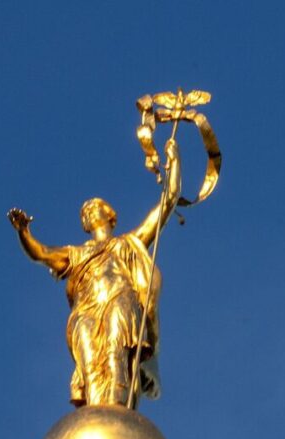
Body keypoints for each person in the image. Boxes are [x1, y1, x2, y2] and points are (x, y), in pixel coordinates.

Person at [9, 137, 182, 407]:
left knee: (116, 355)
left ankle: (116, 415)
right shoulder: (75, 254)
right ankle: (96, 415)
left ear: (109, 215)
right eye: (84, 211)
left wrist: (174, 164)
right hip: (85, 310)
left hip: (120, 298)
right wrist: (23, 232)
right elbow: (41, 254)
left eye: (93, 207)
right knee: (90, 367)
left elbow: (166, 205)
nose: (88, 211)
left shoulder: (128, 243)